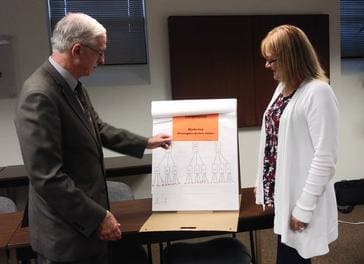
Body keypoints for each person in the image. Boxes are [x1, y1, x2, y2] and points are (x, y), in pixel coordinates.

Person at [14, 13, 171, 264]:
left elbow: (97, 128)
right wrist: (98, 217)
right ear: (77, 49)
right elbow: (47, 177)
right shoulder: (40, 94)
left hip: (82, 229)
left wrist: (145, 142)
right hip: (65, 235)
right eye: (99, 52)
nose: (103, 59)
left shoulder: (72, 85)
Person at [254, 25, 339, 263]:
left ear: (291, 57)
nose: (267, 65)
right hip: (283, 192)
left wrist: (304, 207)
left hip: (301, 197)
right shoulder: (283, 88)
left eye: (272, 60)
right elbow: (272, 140)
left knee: (293, 258)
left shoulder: (318, 93)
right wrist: (262, 183)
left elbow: (326, 157)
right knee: (287, 254)